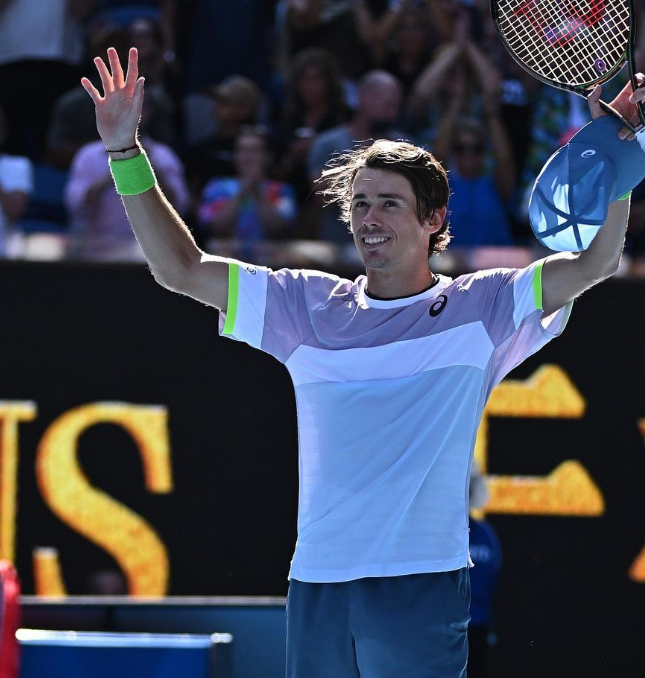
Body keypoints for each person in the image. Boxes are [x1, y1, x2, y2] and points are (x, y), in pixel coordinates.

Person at [81, 46, 644, 677]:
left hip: (422, 584)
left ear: (434, 218)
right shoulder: (304, 304)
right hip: (318, 583)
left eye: (389, 203)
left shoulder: (484, 306)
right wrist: (124, 152)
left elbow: (597, 263)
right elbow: (180, 269)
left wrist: (618, 151)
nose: (369, 219)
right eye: (360, 203)